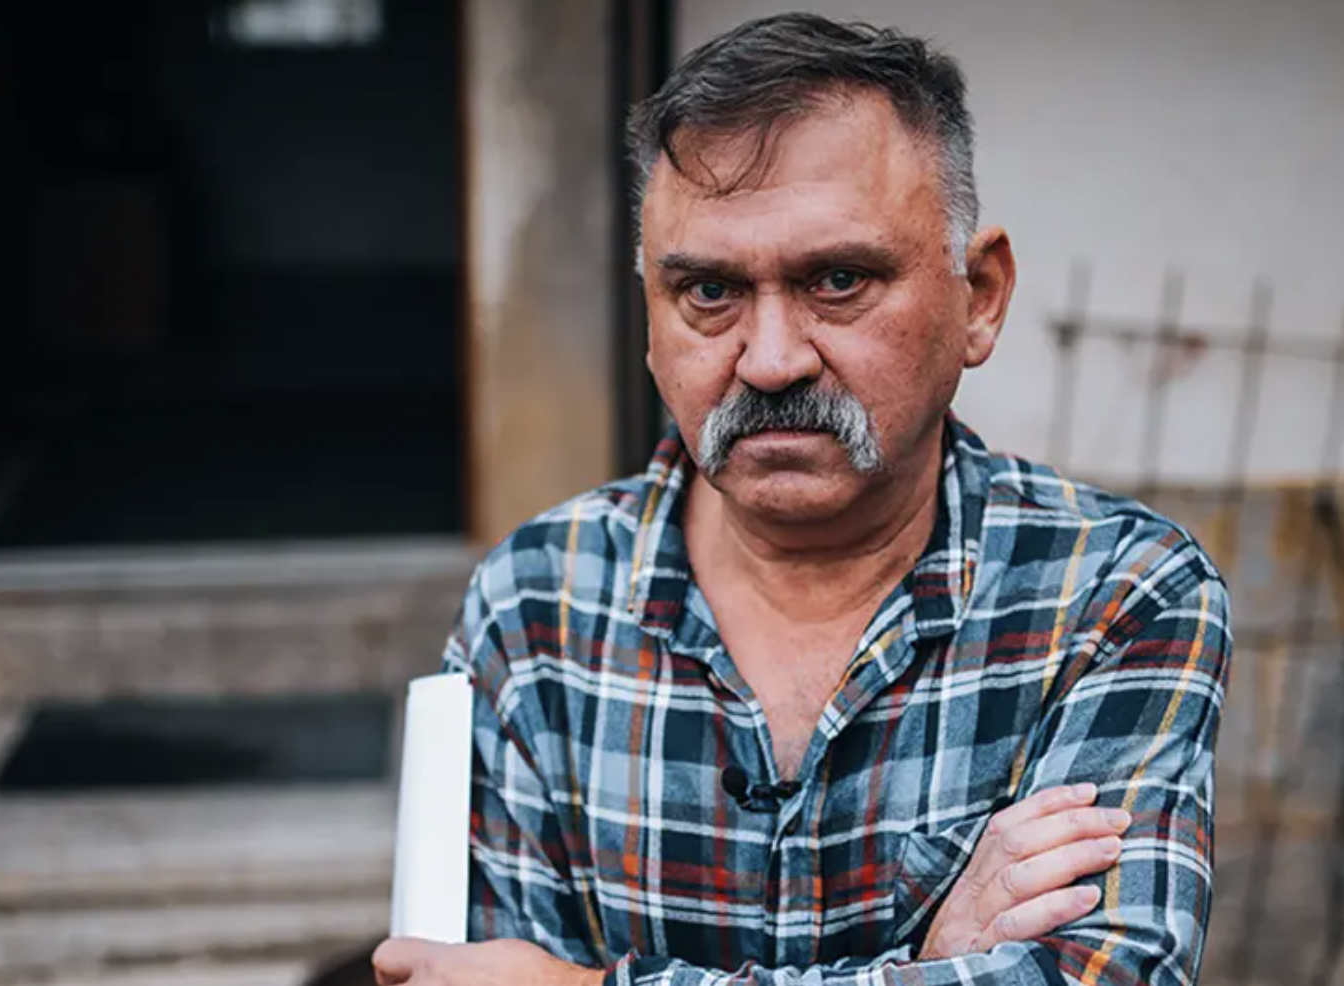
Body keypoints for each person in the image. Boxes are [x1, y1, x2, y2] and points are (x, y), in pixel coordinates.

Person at [374, 12, 1228, 986]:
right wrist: (925, 963)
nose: (771, 360)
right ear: (649, 318)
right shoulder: (536, 605)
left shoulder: (1111, 594)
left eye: (837, 280)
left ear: (979, 295)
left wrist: (581, 984)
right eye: (708, 292)